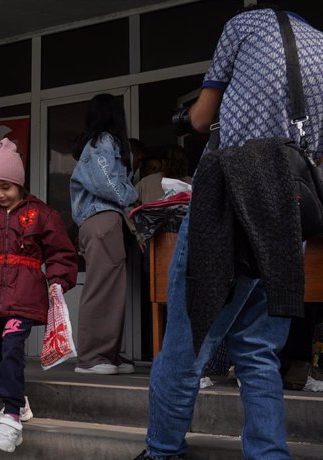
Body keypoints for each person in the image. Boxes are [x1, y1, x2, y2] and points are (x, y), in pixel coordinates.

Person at [136, 7, 323, 460]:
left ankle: (162, 450)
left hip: (231, 196)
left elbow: (201, 119)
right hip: (289, 211)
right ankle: (267, 453)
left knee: (188, 337)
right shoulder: (322, 44)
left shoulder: (243, 25)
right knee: (259, 349)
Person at [0, 138, 78, 453]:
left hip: (24, 297)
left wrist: (58, 281)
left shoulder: (42, 214)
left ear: (19, 183)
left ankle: (12, 418)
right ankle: (16, 401)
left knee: (11, 351)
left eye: (5, 186)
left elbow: (62, 252)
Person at [69, 93, 138, 375]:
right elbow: (105, 181)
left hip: (101, 220)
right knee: (102, 288)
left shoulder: (97, 142)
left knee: (111, 288)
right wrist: (130, 194)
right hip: (101, 219)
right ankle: (91, 357)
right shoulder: (103, 141)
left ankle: (107, 354)